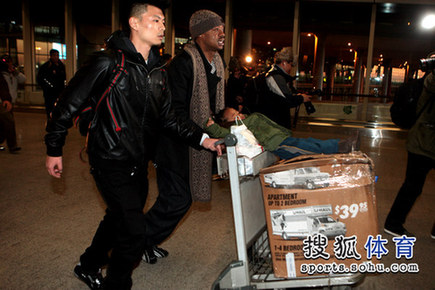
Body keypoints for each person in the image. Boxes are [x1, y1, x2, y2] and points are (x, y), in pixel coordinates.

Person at [44, 3, 222, 289]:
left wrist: (205, 139)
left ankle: (88, 265)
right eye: (156, 20)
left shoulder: (158, 72)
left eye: (164, 22)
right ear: (134, 23)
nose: (163, 27)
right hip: (108, 159)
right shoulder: (107, 62)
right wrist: (54, 148)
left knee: (117, 219)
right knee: (133, 232)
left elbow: (170, 118)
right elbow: (67, 104)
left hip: (139, 163)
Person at [142, 9, 226, 264]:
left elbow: (209, 107)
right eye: (215, 29)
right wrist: (203, 133)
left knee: (177, 200)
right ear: (200, 35)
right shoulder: (183, 64)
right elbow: (174, 113)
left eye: (222, 28)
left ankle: (143, 240)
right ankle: (134, 242)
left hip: (191, 143)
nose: (222, 33)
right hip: (172, 145)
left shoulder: (215, 64)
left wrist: (224, 114)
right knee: (177, 199)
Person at [384, 65, 435, 239]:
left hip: (419, 142)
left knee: (411, 187)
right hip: (423, 142)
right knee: (412, 187)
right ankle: (393, 223)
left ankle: (393, 223)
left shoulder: (427, 81)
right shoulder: (431, 83)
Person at [205, 107, 360, 160]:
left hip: (283, 138)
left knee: (310, 143)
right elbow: (225, 133)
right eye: (234, 115)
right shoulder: (238, 128)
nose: (239, 114)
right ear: (230, 122)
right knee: (310, 149)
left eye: (238, 111)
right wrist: (212, 127)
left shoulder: (250, 118)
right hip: (278, 145)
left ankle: (343, 144)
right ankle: (344, 146)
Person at [257, 46, 312, 129]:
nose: (291, 68)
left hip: (274, 122)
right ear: (284, 63)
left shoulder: (275, 75)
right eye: (290, 64)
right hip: (274, 124)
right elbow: (286, 100)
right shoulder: (276, 77)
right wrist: (301, 98)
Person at [0, 55, 25, 153]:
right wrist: (5, 99)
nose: (8, 64)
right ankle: (12, 146)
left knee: (5, 124)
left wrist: (15, 72)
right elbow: (2, 87)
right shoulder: (1, 74)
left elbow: (23, 79)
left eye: (10, 62)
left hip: (9, 101)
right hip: (3, 102)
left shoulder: (13, 74)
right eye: (7, 62)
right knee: (9, 122)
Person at [37, 49, 66, 119]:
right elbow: (40, 79)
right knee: (50, 109)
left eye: (57, 55)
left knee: (59, 109)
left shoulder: (61, 66)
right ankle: (50, 121)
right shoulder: (46, 67)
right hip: (49, 93)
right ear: (51, 56)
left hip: (59, 92)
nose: (56, 57)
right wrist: (47, 87)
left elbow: (63, 78)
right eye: (54, 55)